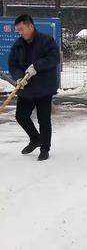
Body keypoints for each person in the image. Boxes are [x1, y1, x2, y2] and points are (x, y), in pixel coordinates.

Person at [8, 14, 60, 161]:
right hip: (27, 89)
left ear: (30, 26)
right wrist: (18, 76)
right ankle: (35, 138)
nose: (20, 32)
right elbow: (13, 64)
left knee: (44, 120)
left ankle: (45, 148)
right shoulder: (18, 45)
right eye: (18, 30)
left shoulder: (46, 41)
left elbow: (54, 58)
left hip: (44, 88)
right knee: (21, 116)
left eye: (21, 29)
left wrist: (36, 66)